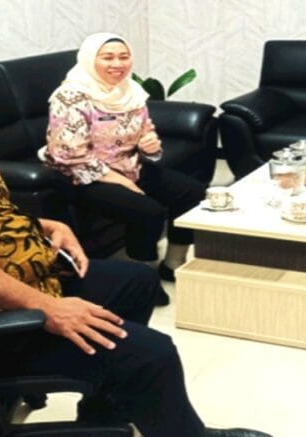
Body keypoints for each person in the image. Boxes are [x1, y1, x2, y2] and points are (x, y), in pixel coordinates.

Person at [0, 41, 274, 437]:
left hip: (18, 284)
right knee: (148, 352)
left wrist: (43, 224)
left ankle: (105, 405)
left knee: (136, 282)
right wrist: (48, 308)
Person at [42, 32, 205, 287]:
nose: (117, 64)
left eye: (124, 57)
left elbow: (145, 131)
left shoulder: (130, 91)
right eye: (108, 58)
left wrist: (150, 145)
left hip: (128, 167)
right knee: (149, 212)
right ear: (90, 60)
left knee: (192, 192)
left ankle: (173, 263)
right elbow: (68, 154)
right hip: (81, 176)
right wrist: (121, 181)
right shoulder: (71, 97)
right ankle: (142, 278)